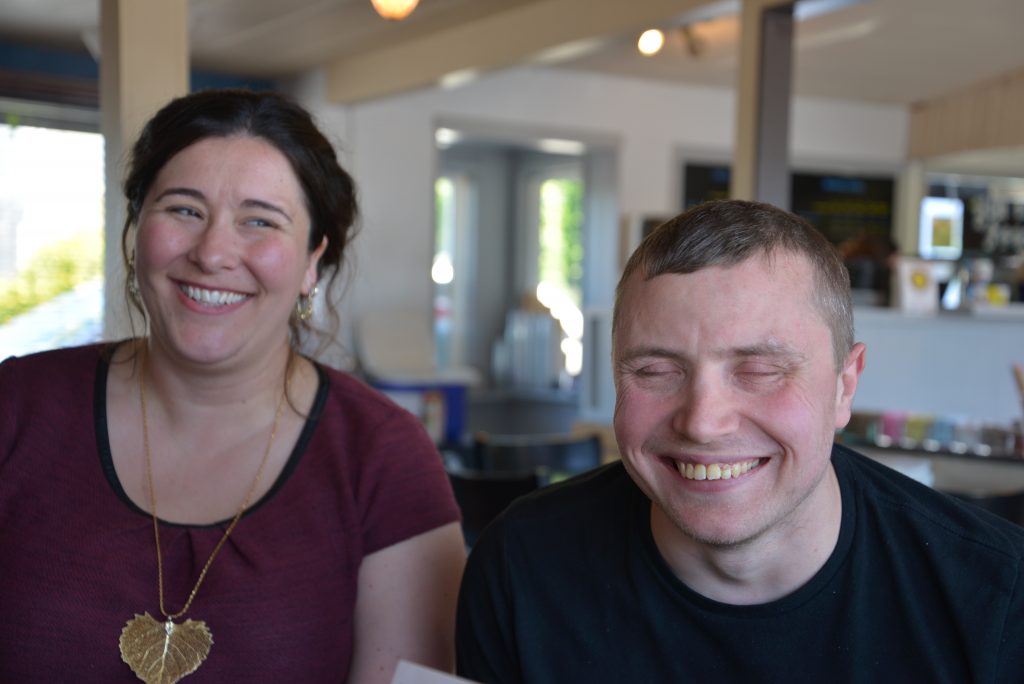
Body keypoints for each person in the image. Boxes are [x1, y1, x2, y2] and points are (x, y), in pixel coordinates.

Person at [0, 88, 466, 682]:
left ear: (311, 263)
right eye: (184, 210)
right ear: (137, 226)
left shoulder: (383, 457)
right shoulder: (15, 407)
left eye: (259, 221)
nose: (214, 251)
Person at [456, 199, 1024, 683]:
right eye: (655, 371)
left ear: (844, 386)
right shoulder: (522, 566)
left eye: (759, 369)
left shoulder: (996, 598)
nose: (703, 422)